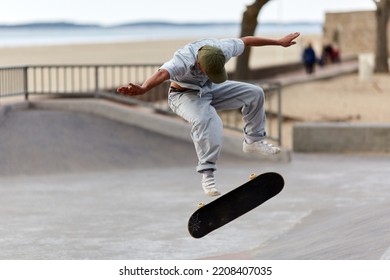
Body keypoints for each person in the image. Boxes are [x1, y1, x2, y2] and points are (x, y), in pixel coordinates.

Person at [117, 32, 300, 197]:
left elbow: (248, 40)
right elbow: (162, 74)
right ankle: (207, 174)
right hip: (184, 95)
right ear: (199, 65)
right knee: (207, 120)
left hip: (210, 89)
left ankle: (253, 141)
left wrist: (278, 42)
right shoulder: (183, 60)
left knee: (255, 93)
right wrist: (143, 88)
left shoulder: (223, 49)